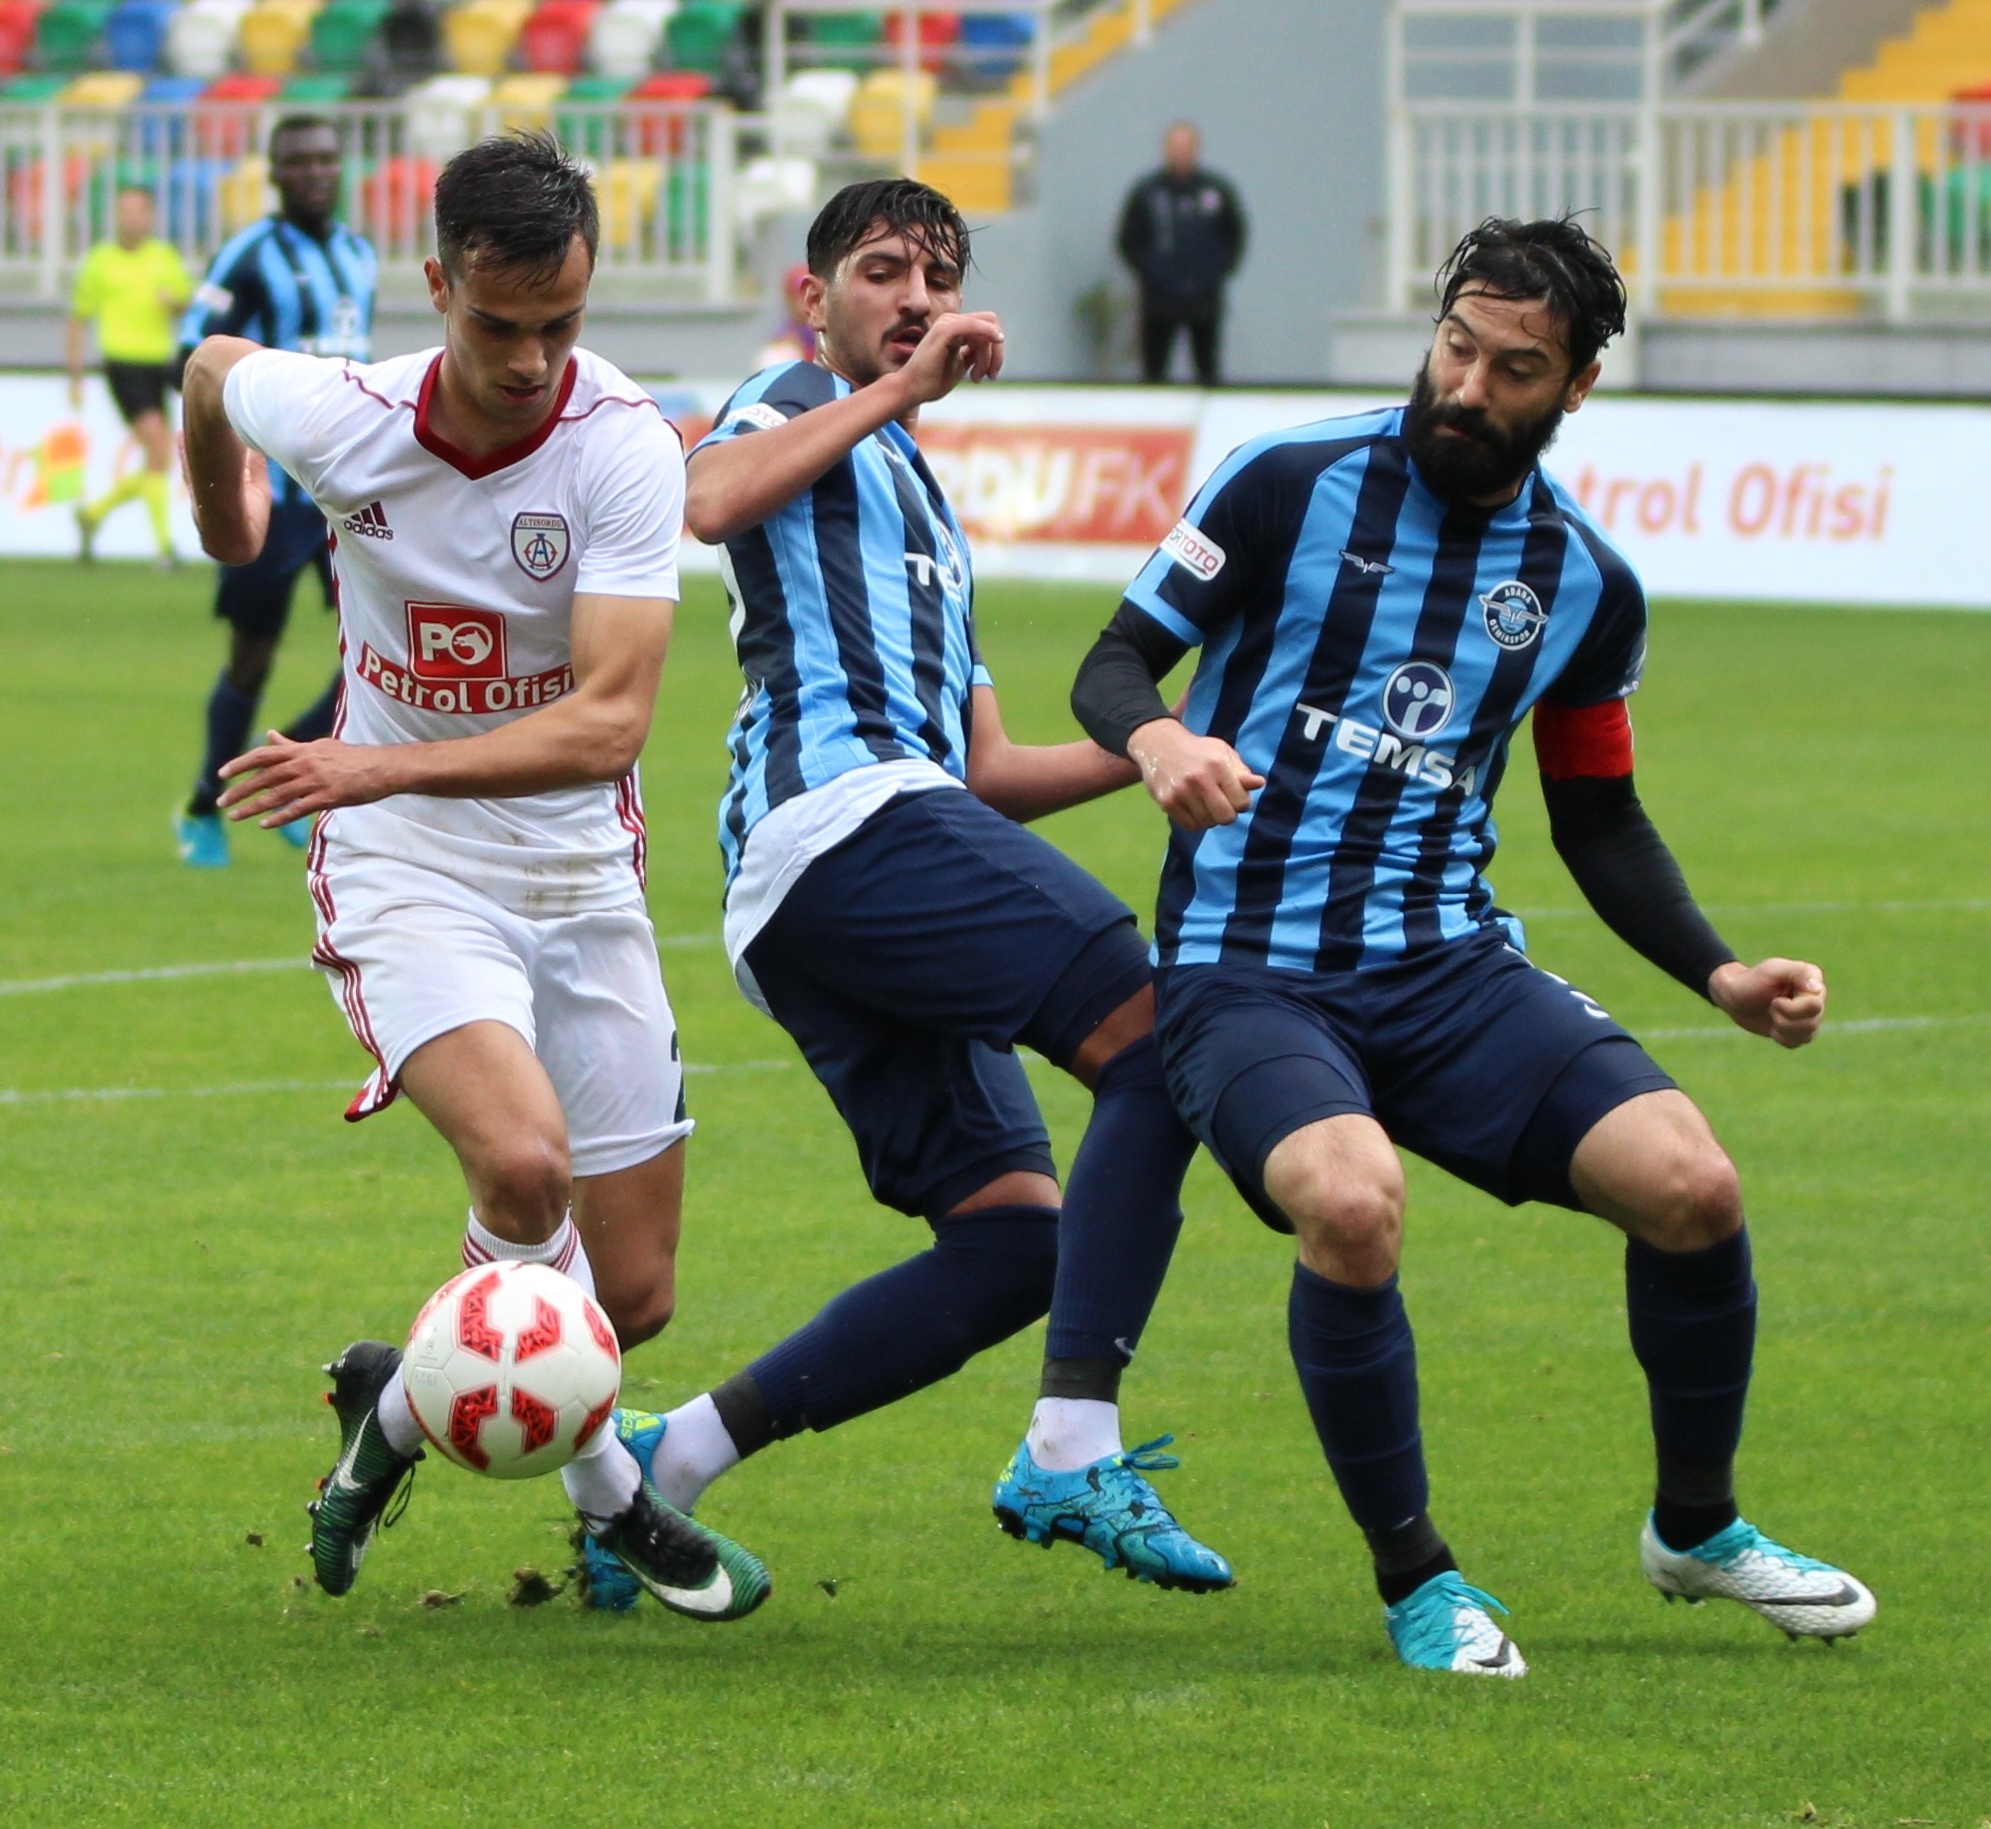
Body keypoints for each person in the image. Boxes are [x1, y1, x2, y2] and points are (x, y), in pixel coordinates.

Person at [1071, 216, 1875, 1675]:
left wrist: (1717, 971)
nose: (1467, 386)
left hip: (1448, 967)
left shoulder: (1584, 583)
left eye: (1513, 369)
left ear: (1575, 387)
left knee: (1693, 1184)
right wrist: (1158, 740)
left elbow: (1599, 816)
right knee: (1350, 1202)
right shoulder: (1286, 480)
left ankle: (1696, 1528)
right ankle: (1419, 1578)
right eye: (1455, 347)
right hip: (1245, 966)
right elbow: (1113, 659)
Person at [569, 176, 1232, 1614]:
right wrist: (895, 392)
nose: (915, 297)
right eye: (881, 270)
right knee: (1160, 1036)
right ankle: (1071, 1444)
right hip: (840, 826)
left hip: (859, 866)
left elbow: (985, 770)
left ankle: (670, 1461)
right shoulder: (789, 396)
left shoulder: (927, 505)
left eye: (936, 277)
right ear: (814, 298)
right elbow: (705, 499)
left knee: (1013, 1240)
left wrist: (1162, 739)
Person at [182, 133, 768, 1625]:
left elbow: (610, 724)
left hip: (573, 867)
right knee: (521, 1166)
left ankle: (387, 1408)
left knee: (629, 1299)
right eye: (498, 324)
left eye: (560, 324)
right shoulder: (346, 414)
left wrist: (367, 761)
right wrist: (229, 523)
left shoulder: (622, 446)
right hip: (407, 862)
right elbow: (210, 370)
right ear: (436, 284)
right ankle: (613, 1498)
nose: (529, 360)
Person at [169, 115, 377, 870]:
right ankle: (204, 805)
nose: (316, 172)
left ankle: (295, 763)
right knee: (251, 657)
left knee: (379, 651)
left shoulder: (359, 256)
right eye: (300, 162)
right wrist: (227, 458)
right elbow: (192, 354)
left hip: (345, 491)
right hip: (273, 495)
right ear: (276, 173)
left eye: (326, 159)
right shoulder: (250, 255)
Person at [67, 183, 192, 567]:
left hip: (158, 366)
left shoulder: (164, 258)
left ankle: (92, 514)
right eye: (125, 211)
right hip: (122, 366)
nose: (132, 219)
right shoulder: (100, 261)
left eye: (139, 211)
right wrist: (74, 375)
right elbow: (78, 319)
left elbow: (188, 304)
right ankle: (164, 548)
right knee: (158, 450)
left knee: (159, 459)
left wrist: (175, 303)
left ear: (150, 217)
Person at [1115, 121, 1246, 387]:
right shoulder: (1148, 192)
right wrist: (1150, 272)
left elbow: (1234, 235)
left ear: (1196, 149)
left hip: (1204, 299)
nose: (1181, 153)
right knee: (1154, 373)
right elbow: (1128, 239)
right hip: (1159, 300)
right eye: (1175, 146)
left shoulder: (1216, 191)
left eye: (1186, 147)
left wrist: (1217, 272)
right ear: (1165, 149)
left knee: (1207, 372)